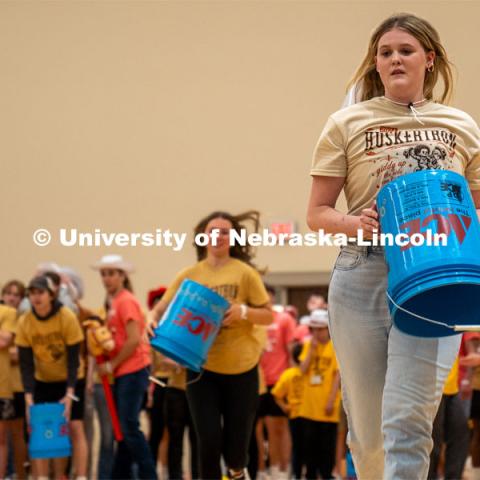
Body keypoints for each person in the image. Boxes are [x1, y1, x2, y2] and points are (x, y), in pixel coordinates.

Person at [306, 13, 480, 479]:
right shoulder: (346, 122)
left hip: (437, 275)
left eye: (405, 50)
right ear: (376, 65)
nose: (395, 59)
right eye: (385, 53)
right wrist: (352, 222)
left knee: (410, 418)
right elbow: (317, 213)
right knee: (368, 429)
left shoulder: (462, 125)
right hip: (363, 271)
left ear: (430, 58)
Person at [149, 210, 273, 480]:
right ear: (203, 237)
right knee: (207, 439)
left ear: (234, 237)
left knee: (236, 448)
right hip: (201, 366)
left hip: (242, 369)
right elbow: (161, 308)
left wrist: (242, 312)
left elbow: (268, 314)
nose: (218, 236)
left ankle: (238, 471)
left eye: (225, 231)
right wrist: (151, 318)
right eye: (213, 231)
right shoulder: (189, 275)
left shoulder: (245, 274)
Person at [92, 254, 157, 480]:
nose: (106, 279)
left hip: (134, 369)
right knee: (124, 429)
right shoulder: (113, 303)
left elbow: (133, 339)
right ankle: (121, 475)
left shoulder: (125, 301)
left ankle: (149, 474)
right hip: (124, 371)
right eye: (103, 274)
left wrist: (112, 364)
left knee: (129, 427)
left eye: (111, 274)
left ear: (122, 276)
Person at [15, 275, 86, 480]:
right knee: (39, 427)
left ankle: (77, 476)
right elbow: (26, 365)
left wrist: (70, 394)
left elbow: (74, 359)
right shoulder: (25, 322)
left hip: (71, 379)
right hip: (43, 381)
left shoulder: (66, 317)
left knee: (73, 426)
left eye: (41, 293)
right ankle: (42, 477)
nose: (36, 297)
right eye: (32, 293)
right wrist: (28, 396)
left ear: (51, 295)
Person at [258, 285, 295, 479]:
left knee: (282, 427)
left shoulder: (284, 319)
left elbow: (290, 351)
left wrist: (290, 380)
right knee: (264, 428)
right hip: (259, 381)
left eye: (269, 297)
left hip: (280, 380)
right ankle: (268, 468)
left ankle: (283, 468)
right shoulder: (256, 320)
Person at [1, 280, 28, 480]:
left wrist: (10, 351)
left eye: (16, 294)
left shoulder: (23, 320)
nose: (11, 298)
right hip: (3, 383)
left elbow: (21, 354)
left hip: (16, 384)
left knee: (18, 434)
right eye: (8, 293)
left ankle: (20, 474)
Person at [271, 342, 304, 480]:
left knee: (298, 446)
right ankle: (297, 473)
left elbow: (276, 395)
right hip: (298, 415)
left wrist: (285, 407)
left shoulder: (288, 374)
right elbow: (277, 394)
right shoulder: (292, 374)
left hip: (301, 414)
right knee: (299, 446)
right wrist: (286, 408)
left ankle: (299, 474)